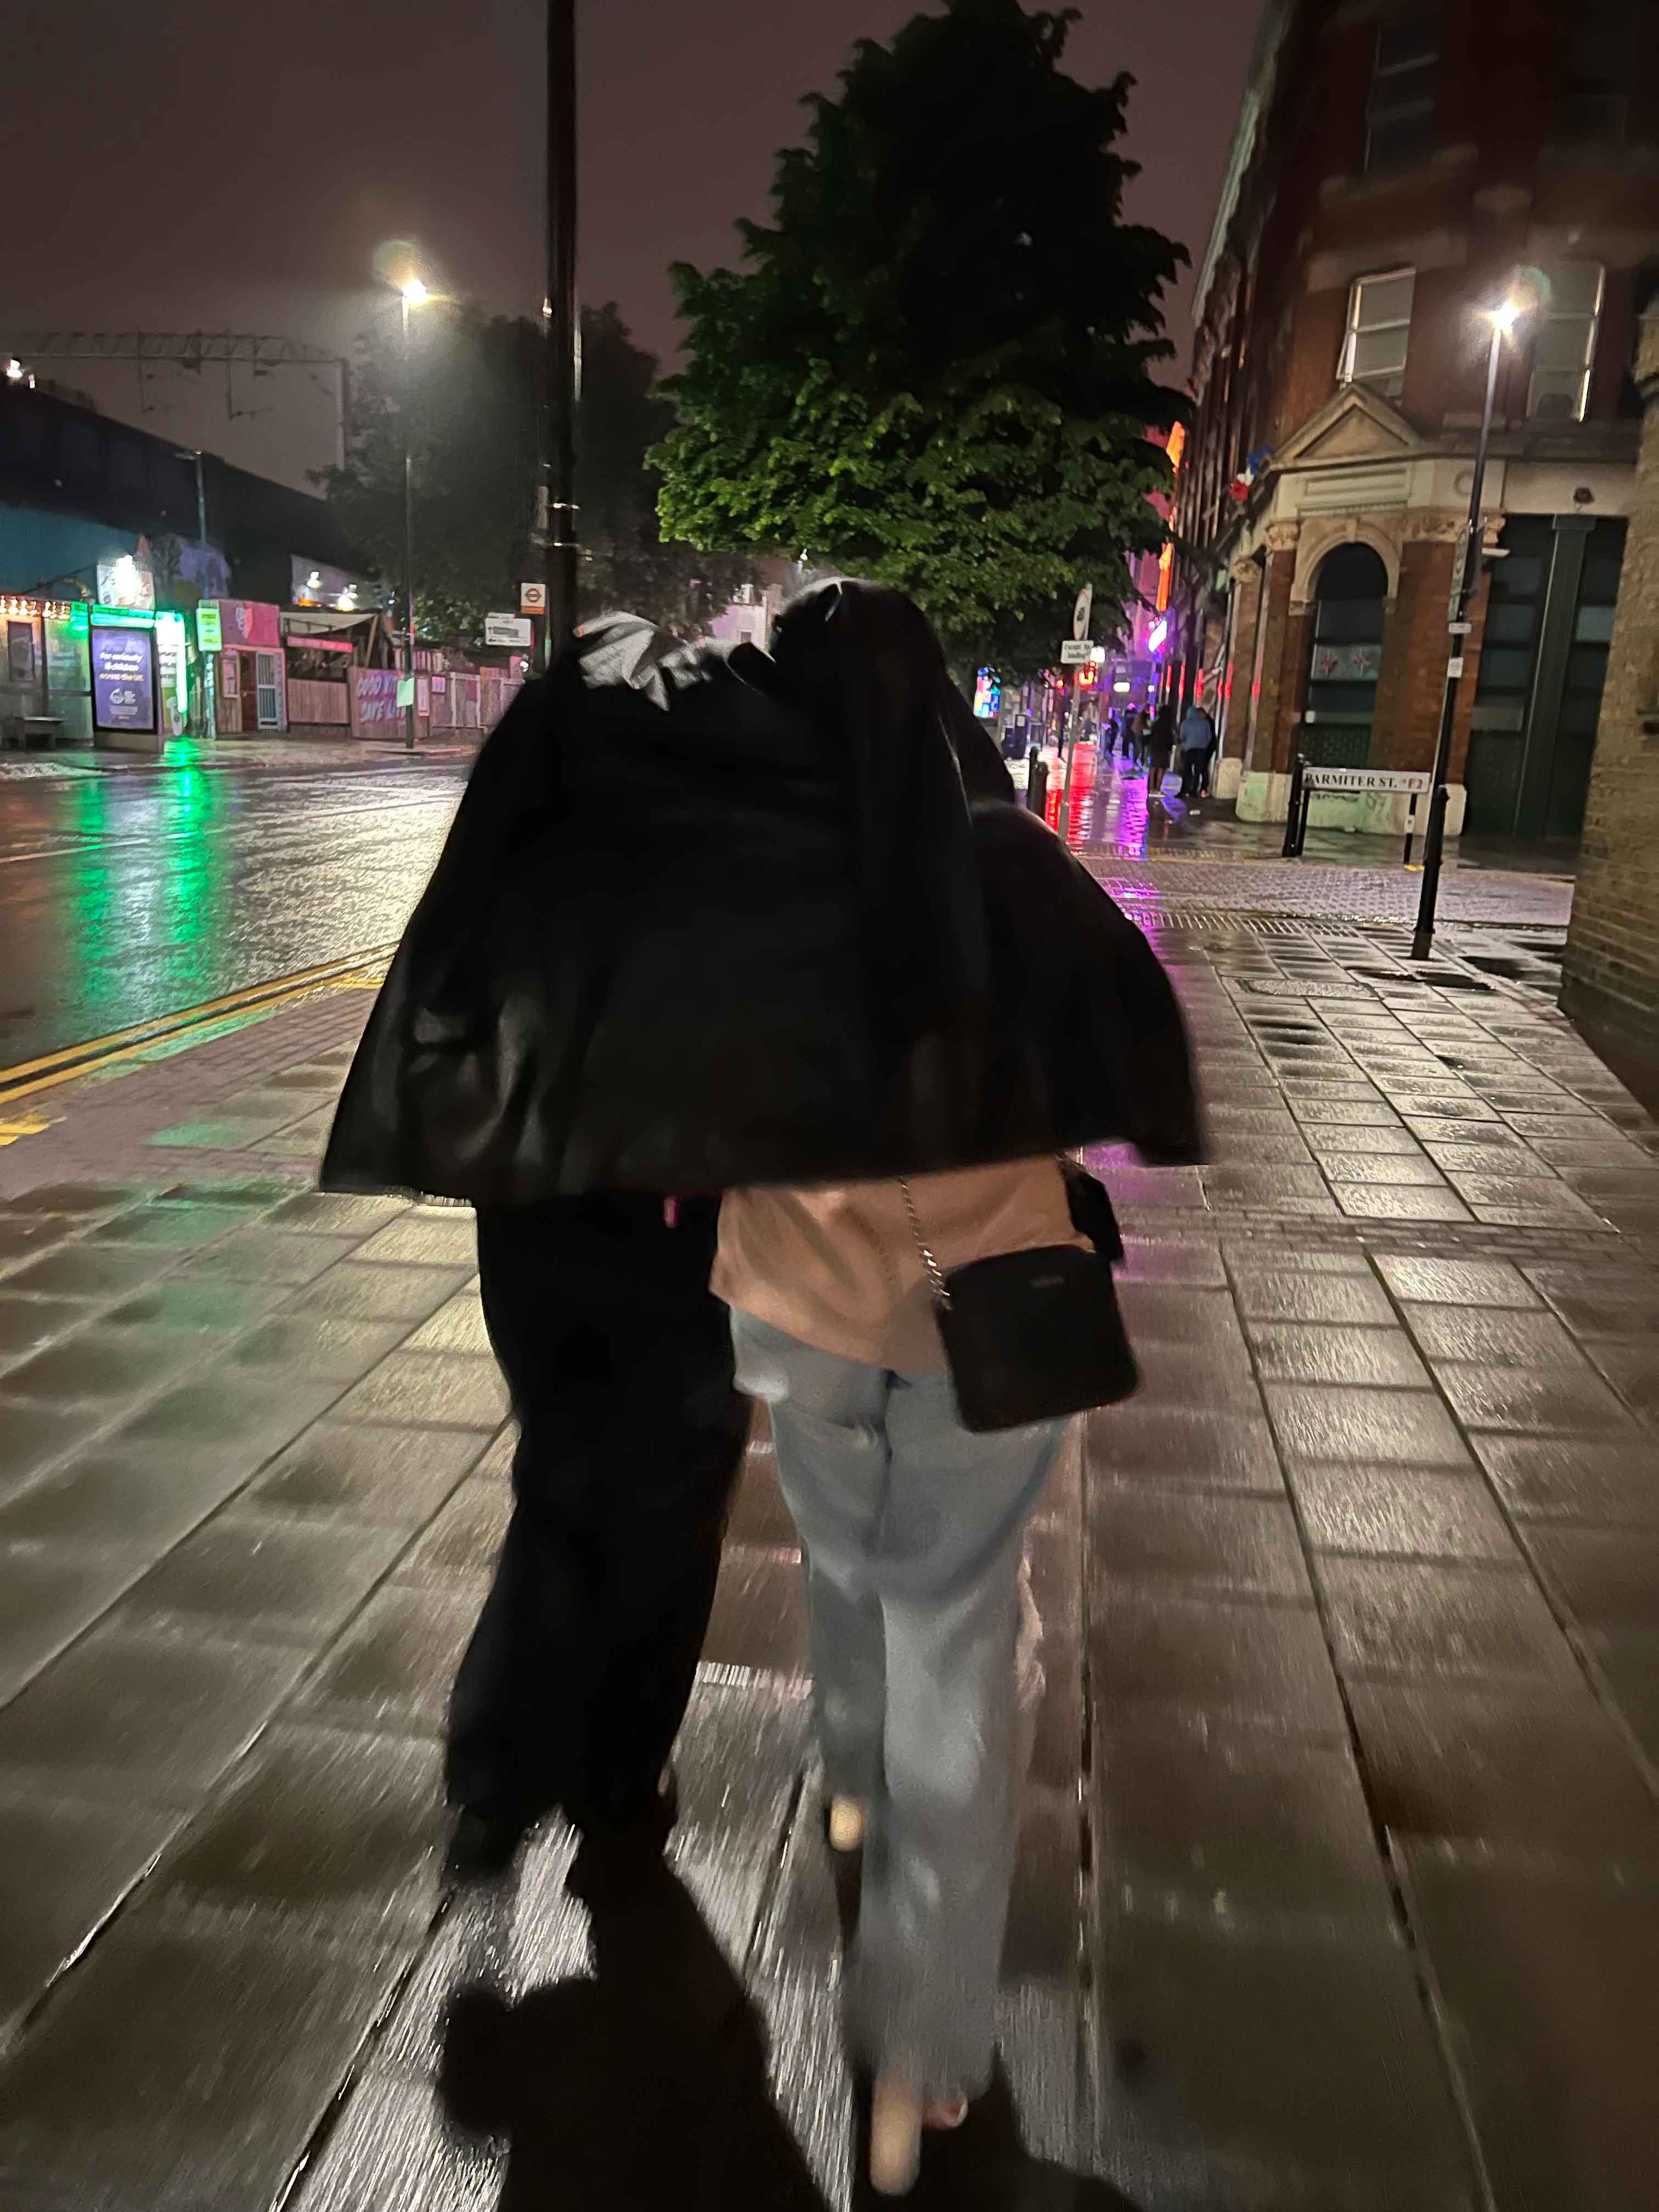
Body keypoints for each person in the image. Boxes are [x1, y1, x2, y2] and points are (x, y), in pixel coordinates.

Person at [714, 580, 1200, 2197]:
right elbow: (1132, 1019)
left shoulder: (755, 874)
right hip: (990, 1307)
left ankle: (854, 1800)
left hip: (802, 1302)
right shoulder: (1006, 856)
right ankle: (927, 2052)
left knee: (850, 1580)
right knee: (960, 1645)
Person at [1178, 697, 1215, 801]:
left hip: (1189, 750)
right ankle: (1194, 791)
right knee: (1198, 772)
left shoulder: (1186, 723)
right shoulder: (1205, 723)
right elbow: (1209, 737)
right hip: (1202, 751)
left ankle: (1184, 789)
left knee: (1187, 771)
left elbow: (1182, 737)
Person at [1146, 699, 1176, 795]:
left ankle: (1151, 788)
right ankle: (1158, 789)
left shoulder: (1156, 724)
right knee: (1161, 768)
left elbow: (1151, 734)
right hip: (1163, 748)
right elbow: (1170, 738)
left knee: (1154, 767)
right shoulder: (1168, 726)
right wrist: (1170, 746)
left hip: (1154, 747)